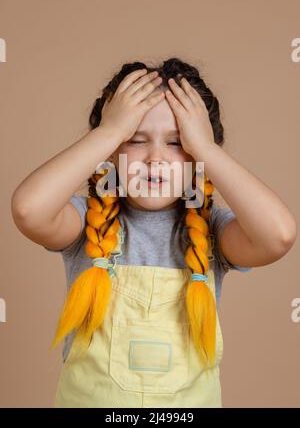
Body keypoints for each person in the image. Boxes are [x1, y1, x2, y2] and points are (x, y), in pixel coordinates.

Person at [11, 57, 297, 408]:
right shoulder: (85, 223)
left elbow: (279, 235)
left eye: (177, 143)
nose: (155, 158)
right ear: (109, 155)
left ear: (197, 159)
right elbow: (28, 209)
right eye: (134, 140)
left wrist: (206, 149)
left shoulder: (213, 232)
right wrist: (110, 131)